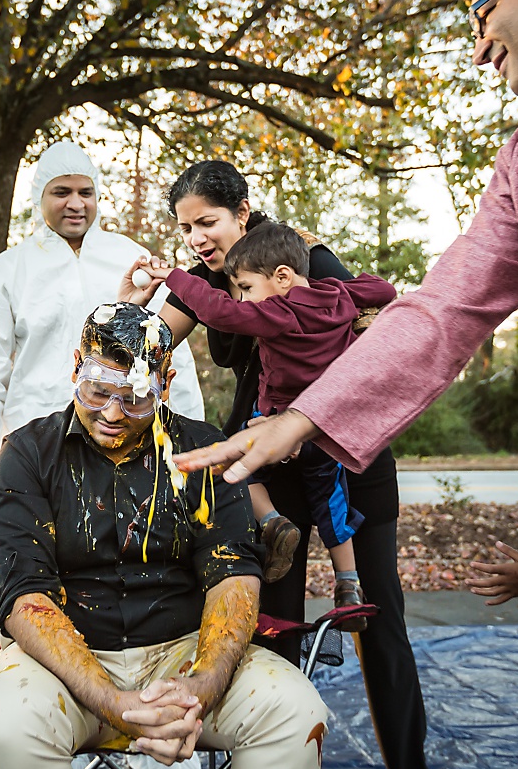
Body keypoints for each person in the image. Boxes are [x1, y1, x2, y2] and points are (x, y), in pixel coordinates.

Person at [172, 0, 518, 769]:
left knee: (376, 614)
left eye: (482, 12)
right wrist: (298, 419)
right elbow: (441, 308)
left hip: (353, 469)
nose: (477, 44)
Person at [122, 160, 435, 769]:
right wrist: (132, 303)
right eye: (186, 228)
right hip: (269, 465)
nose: (196, 239)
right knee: (275, 626)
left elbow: (375, 343)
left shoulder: (306, 262)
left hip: (347, 454)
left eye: (206, 222)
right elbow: (143, 344)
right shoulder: (209, 277)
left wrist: (317, 420)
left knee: (380, 620)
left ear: (242, 213)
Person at [0, 303, 328, 769]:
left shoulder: (203, 450)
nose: (113, 415)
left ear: (166, 380)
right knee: (11, 726)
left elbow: (234, 575)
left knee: (294, 713)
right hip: (65, 664)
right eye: (97, 391)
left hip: (184, 652)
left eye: (137, 398)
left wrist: (202, 689)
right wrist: (109, 700)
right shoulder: (26, 453)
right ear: (76, 366)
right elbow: (23, 593)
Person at [0, 142, 204, 550]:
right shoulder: (6, 272)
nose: (75, 204)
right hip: (34, 452)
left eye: (85, 193)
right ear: (39, 198)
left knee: (121, 570)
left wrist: (185, 455)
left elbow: (173, 356)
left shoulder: (132, 261)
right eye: (61, 192)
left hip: (128, 445)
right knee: (36, 570)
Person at [142, 222, 398, 623]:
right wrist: (367, 284)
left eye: (246, 287)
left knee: (235, 468)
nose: (243, 298)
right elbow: (383, 290)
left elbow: (218, 311)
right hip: (325, 425)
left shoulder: (277, 313)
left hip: (278, 423)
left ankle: (274, 522)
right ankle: (348, 584)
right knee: (332, 502)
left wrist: (172, 276)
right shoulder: (337, 295)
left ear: (281, 278)